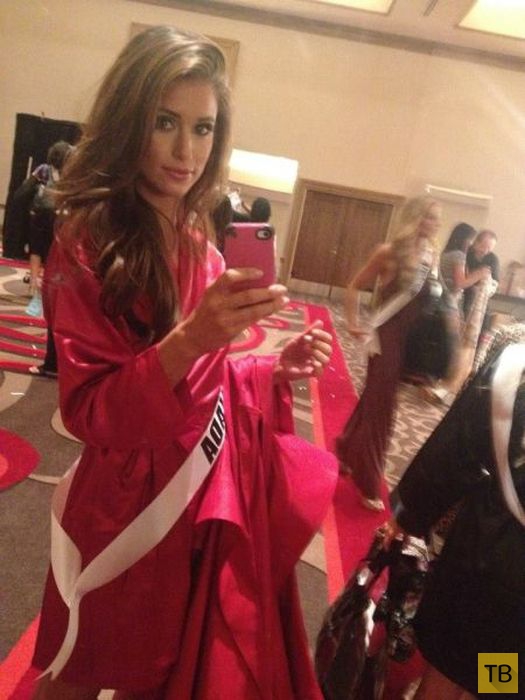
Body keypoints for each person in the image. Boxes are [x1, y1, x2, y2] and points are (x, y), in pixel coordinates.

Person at [32, 26, 336, 699]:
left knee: (161, 666)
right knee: (80, 664)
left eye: (203, 128)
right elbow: (89, 411)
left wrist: (271, 370)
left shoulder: (199, 238)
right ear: (129, 118)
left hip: (200, 487)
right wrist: (192, 337)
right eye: (165, 122)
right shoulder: (88, 240)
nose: (185, 151)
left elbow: (206, 379)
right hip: (128, 502)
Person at [383, 323, 525, 699]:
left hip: (485, 551)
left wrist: (407, 515)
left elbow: (456, 451)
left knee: (451, 664)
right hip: (513, 597)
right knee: (498, 673)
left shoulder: (516, 359)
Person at [336, 195, 442, 512]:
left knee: (373, 401)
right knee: (383, 410)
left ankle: (345, 450)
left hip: (411, 344)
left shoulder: (432, 255)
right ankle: (367, 482)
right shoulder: (389, 252)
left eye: (437, 218)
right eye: (429, 216)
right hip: (386, 339)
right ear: (414, 217)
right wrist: (353, 323)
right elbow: (354, 285)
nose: (434, 224)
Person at [424, 223, 492, 405]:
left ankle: (437, 385)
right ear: (464, 238)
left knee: (447, 346)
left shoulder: (446, 253)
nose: (472, 244)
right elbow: (461, 283)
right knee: (455, 350)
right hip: (449, 304)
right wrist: (479, 274)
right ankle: (442, 389)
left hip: (441, 301)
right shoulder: (458, 256)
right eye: (471, 239)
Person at [28, 142, 75, 378]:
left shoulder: (49, 196)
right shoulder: (78, 190)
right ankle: (58, 364)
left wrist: (35, 277)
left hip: (64, 266)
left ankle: (53, 364)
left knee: (58, 315)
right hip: (71, 266)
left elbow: (37, 247)